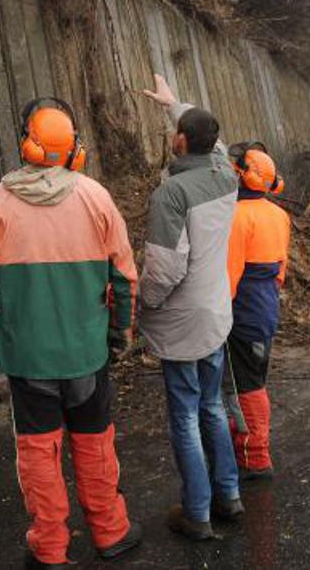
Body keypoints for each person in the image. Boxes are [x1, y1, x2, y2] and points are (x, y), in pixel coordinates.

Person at [0, 98, 142, 569]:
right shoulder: (96, 196)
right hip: (87, 354)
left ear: (27, 144)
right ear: (74, 148)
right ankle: (110, 531)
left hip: (27, 358)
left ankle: (50, 547)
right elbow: (124, 276)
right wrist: (119, 332)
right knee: (96, 443)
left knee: (39, 454)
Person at [138, 73, 243, 541]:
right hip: (216, 314)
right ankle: (229, 495)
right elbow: (213, 143)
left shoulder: (171, 194)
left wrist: (140, 306)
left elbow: (163, 270)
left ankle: (198, 512)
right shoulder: (226, 175)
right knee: (214, 406)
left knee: (184, 413)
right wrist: (174, 103)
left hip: (181, 321)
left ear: (180, 142)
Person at [224, 142, 291, 481]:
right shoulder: (279, 215)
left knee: (244, 383)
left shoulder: (236, 217)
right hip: (266, 305)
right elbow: (281, 270)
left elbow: (230, 275)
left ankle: (255, 455)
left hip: (242, 310)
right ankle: (250, 446)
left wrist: (218, 314)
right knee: (254, 378)